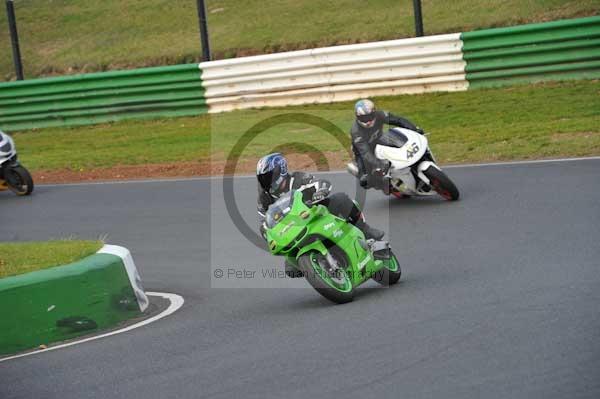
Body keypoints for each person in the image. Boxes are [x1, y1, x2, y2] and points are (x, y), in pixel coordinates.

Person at [256, 152, 384, 241]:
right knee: (291, 268)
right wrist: (266, 231)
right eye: (263, 178)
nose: (266, 181)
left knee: (341, 198)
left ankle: (365, 230)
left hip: (316, 214)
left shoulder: (298, 178)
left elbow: (320, 184)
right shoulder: (264, 199)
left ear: (281, 170)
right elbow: (265, 222)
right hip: (295, 230)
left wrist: (320, 192)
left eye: (269, 176)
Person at [351, 99, 424, 188]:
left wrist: (414, 129)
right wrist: (379, 164)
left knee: (398, 145)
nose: (368, 121)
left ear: (374, 113)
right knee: (366, 180)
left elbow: (398, 120)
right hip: (363, 150)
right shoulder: (356, 131)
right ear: (357, 117)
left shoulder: (380, 114)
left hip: (378, 139)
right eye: (363, 118)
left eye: (369, 117)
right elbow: (365, 153)